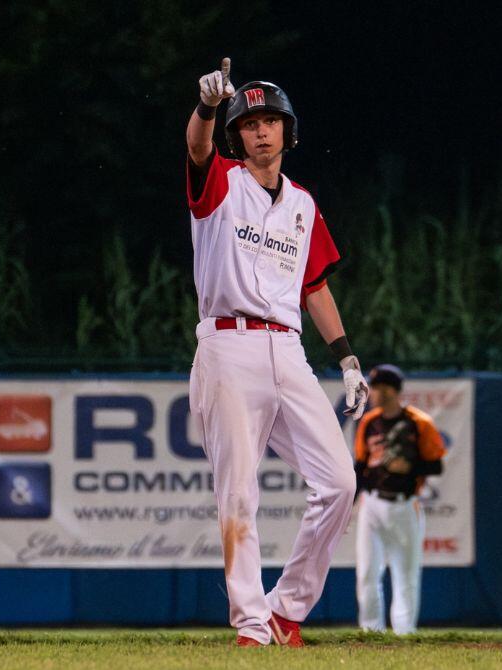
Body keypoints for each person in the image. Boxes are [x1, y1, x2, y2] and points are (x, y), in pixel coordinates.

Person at [185, 58, 369, 648]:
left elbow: (312, 285)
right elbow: (195, 149)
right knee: (239, 491)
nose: (261, 131)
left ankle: (286, 609)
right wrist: (208, 109)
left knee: (340, 481)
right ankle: (251, 625)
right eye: (250, 123)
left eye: (271, 121)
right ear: (237, 136)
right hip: (228, 343)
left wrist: (345, 357)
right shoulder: (221, 183)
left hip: (287, 349)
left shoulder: (303, 204)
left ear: (288, 131)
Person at [353, 364, 446, 634]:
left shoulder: (419, 423)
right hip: (371, 504)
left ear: (390, 390)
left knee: (405, 575)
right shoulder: (369, 422)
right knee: (367, 572)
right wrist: (351, 503)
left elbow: (436, 466)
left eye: (377, 388)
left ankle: (404, 633)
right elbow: (360, 466)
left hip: (405, 504)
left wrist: (410, 467)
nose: (372, 394)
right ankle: (371, 631)